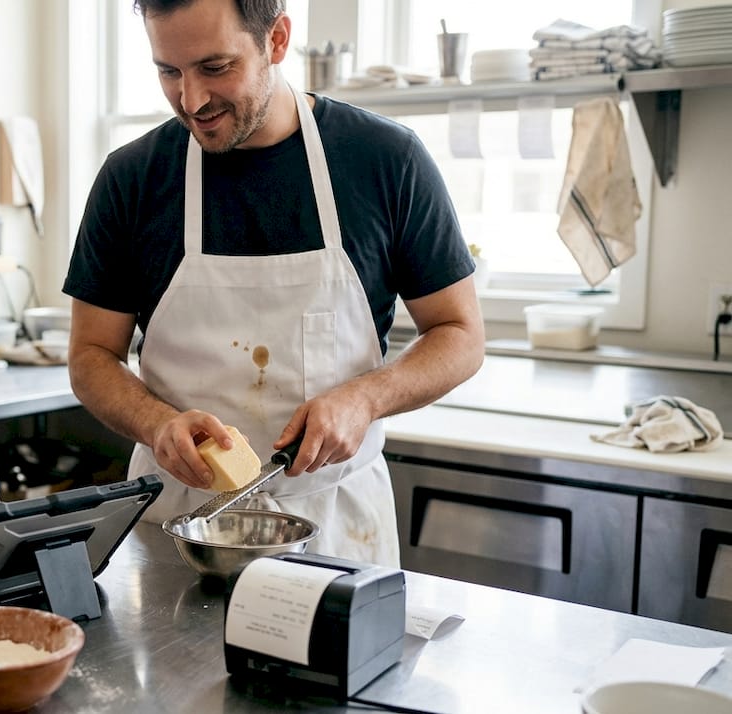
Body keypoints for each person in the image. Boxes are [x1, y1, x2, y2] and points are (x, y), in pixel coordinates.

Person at [63, 0, 485, 566]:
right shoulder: (131, 178)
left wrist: (365, 397)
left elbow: (460, 333)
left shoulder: (385, 160)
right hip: (181, 528)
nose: (191, 100)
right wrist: (157, 423)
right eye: (169, 71)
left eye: (215, 68)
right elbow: (91, 354)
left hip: (335, 523)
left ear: (277, 39)